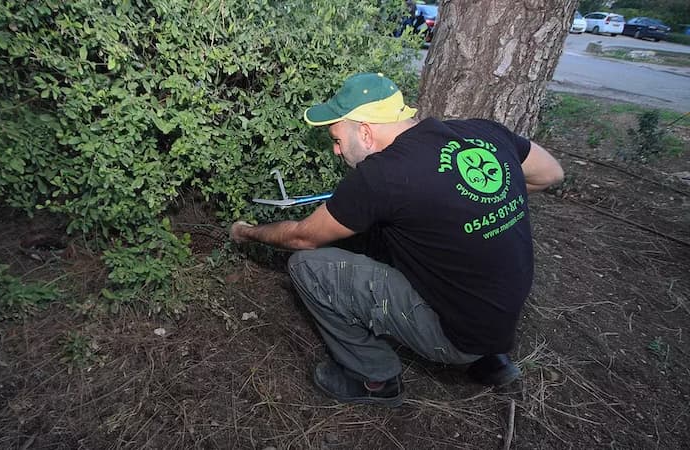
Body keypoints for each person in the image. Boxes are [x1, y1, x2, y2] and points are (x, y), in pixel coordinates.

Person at [229, 73, 564, 407]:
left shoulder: (383, 176)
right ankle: (491, 359)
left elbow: (302, 237)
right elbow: (552, 173)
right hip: (499, 317)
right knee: (388, 229)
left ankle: (373, 378)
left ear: (365, 132)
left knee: (307, 267)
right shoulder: (482, 132)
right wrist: (486, 201)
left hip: (459, 337)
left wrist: (246, 232)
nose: (335, 150)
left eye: (337, 139)